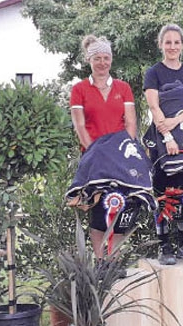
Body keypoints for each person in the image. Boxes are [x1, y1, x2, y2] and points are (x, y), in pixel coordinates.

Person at [144, 24, 183, 265]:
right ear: (161, 45)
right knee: (165, 190)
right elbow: (154, 107)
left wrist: (177, 121)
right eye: (167, 42)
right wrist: (168, 136)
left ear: (182, 45)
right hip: (163, 140)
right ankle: (165, 247)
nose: (172, 47)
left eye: (176, 42)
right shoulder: (154, 73)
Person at [69, 34, 138, 260]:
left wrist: (126, 151)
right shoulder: (79, 89)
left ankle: (114, 258)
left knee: (122, 205)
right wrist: (96, 153)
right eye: (97, 58)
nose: (102, 62)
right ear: (89, 60)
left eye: (106, 57)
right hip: (93, 159)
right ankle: (101, 261)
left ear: (111, 60)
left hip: (120, 158)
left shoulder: (123, 87)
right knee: (98, 210)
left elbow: (130, 122)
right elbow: (80, 125)